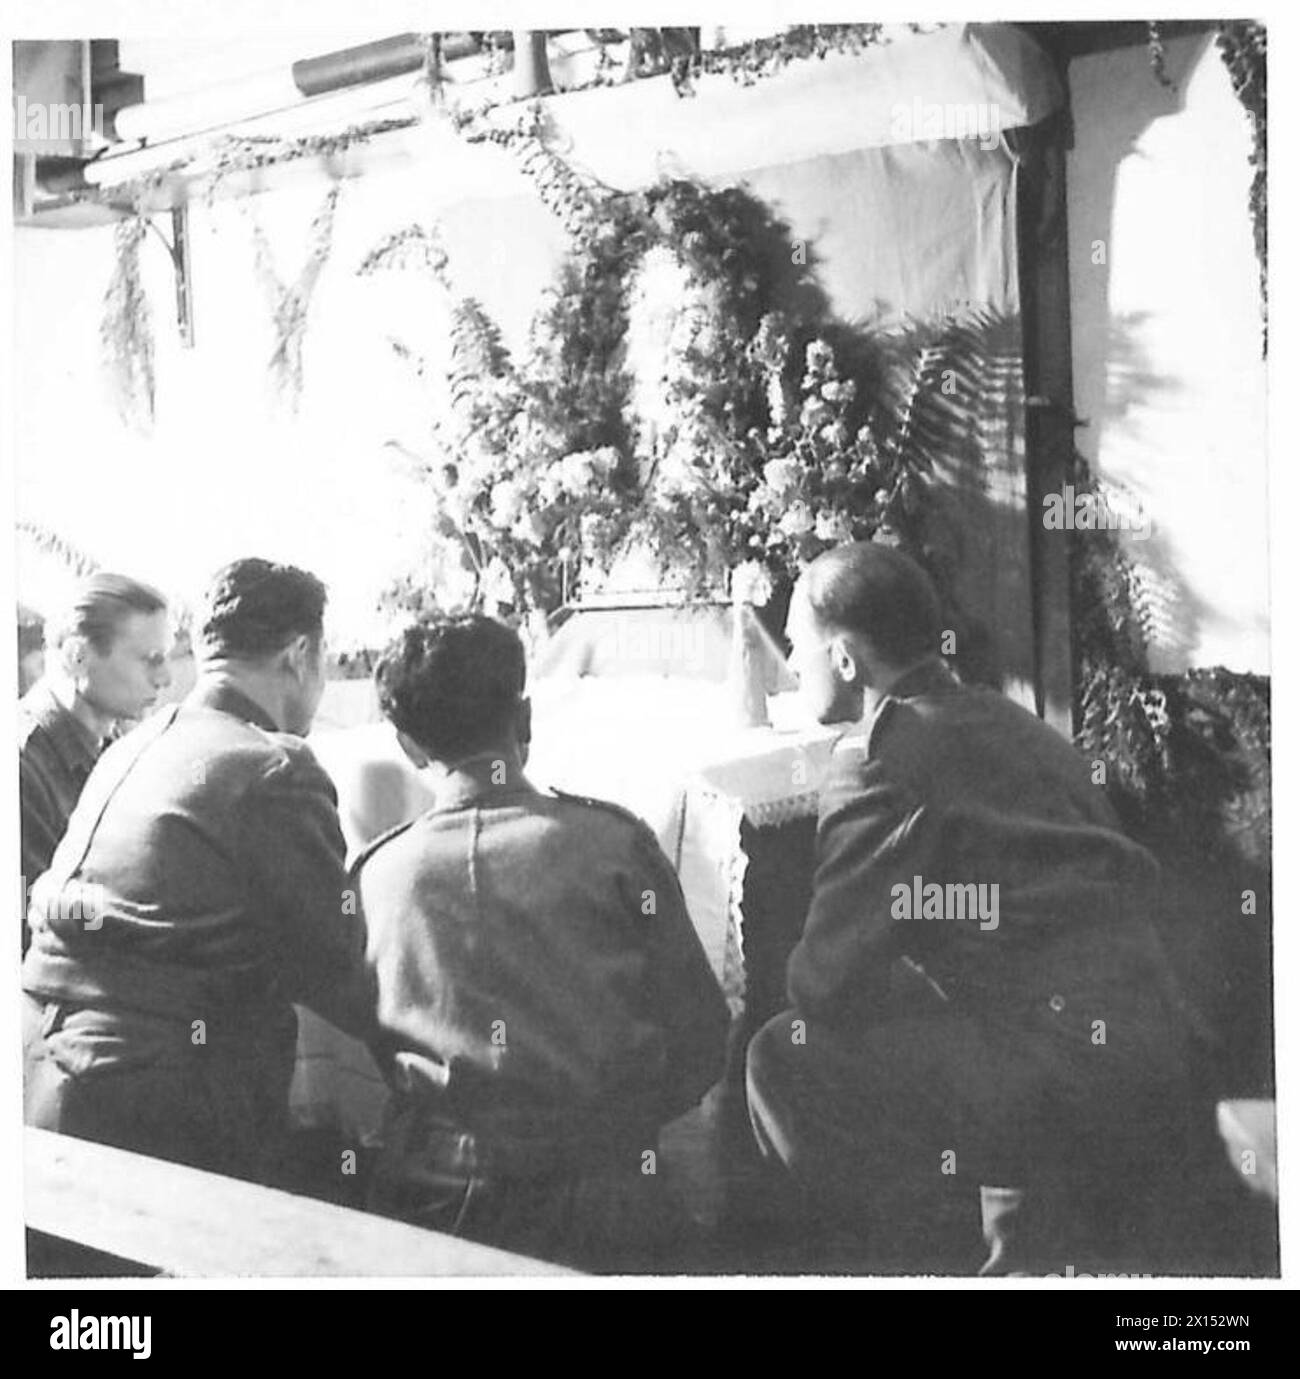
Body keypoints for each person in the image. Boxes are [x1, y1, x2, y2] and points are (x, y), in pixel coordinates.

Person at [745, 542, 1192, 1274]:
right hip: (1159, 1039)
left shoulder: (878, 760)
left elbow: (822, 984)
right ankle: (1011, 1233)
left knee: (781, 1053)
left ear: (848, 659)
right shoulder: (1014, 723)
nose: (792, 664)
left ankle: (914, 1265)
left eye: (798, 645)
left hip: (1060, 1067)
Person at [355, 613, 729, 1270]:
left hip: (433, 1205)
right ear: (524, 720)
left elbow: (371, 1043)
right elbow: (700, 1031)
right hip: (607, 1196)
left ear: (409, 747)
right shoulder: (614, 846)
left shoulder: (375, 874)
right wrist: (616, 1124)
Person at [23, 558, 367, 1186]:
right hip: (170, 1123)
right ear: (299, 654)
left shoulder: (129, 748)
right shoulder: (272, 766)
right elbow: (338, 968)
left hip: (47, 1089)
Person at [19, 574, 172, 947]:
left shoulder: (120, 748)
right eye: (150, 660)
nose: (165, 678)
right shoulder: (21, 762)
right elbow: (34, 912)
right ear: (78, 656)